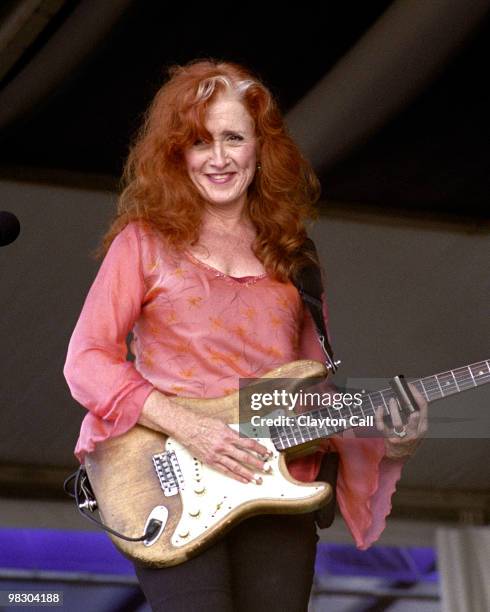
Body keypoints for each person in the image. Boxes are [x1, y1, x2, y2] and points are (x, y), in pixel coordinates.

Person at [64, 59, 427, 612]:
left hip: (278, 478)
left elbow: (314, 400)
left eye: (234, 138)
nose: (218, 157)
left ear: (261, 149)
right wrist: (194, 429)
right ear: (176, 153)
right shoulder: (143, 243)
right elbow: (86, 361)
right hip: (171, 477)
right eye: (200, 141)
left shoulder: (293, 257)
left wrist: (390, 437)